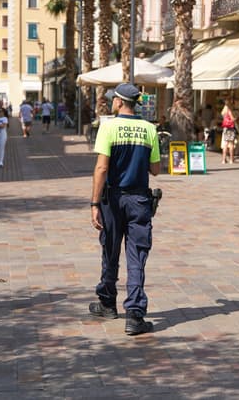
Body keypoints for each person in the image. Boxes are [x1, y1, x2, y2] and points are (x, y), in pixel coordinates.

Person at [89, 83, 161, 336]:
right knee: (136, 255)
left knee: (110, 249)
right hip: (139, 199)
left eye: (113, 100)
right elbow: (155, 169)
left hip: (112, 198)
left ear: (119, 102)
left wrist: (94, 203)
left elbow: (101, 169)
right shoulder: (149, 129)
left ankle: (107, 302)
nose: (111, 103)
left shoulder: (108, 127)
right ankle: (134, 314)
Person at [220, 100, 236, 164]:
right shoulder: (229, 111)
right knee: (231, 144)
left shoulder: (223, 112)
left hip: (225, 128)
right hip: (230, 129)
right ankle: (231, 160)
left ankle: (223, 160)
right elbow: (232, 119)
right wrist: (236, 118)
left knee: (225, 144)